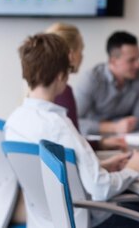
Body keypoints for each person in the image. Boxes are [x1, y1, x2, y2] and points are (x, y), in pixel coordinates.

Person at [4, 33, 139, 228]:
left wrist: (103, 165)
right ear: (61, 76)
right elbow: (100, 188)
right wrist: (132, 169)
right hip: (86, 220)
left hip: (44, 222)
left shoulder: (14, 122)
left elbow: (57, 175)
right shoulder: (59, 126)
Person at [46, 22, 126, 151]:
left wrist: (100, 144)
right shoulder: (63, 92)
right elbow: (75, 148)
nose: (82, 56)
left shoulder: (38, 90)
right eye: (81, 50)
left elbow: (73, 140)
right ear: (71, 55)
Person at [75, 31, 139, 135]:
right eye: (131, 60)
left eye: (138, 58)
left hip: (130, 140)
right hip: (95, 141)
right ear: (113, 61)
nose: (138, 65)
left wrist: (96, 124)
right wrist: (114, 127)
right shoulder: (91, 79)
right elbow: (72, 121)